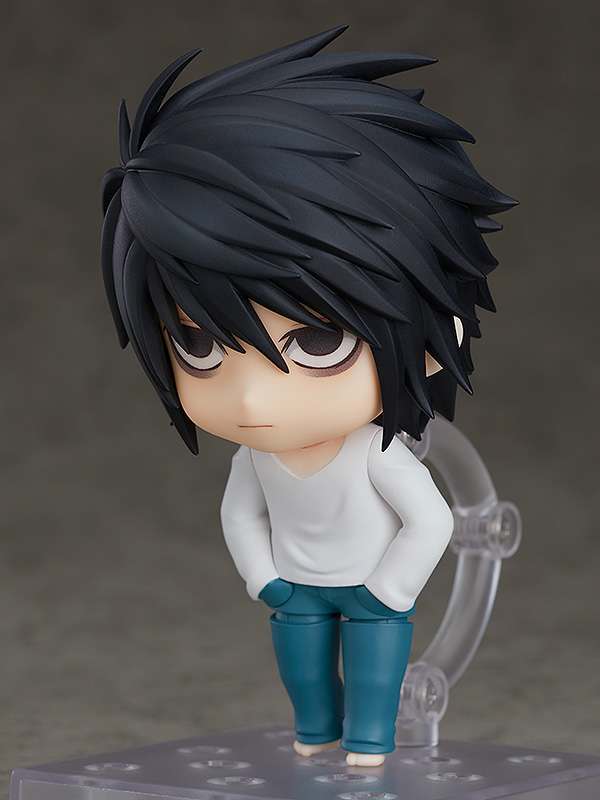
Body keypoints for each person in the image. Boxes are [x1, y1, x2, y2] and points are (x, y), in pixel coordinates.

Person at [100, 25, 515, 765]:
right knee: (304, 682)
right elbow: (239, 514)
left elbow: (430, 520)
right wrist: (265, 581)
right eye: (198, 347)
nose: (252, 403)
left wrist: (390, 590)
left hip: (372, 595)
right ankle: (316, 735)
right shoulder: (256, 460)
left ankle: (371, 744)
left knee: (375, 682)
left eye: (317, 344)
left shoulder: (375, 453)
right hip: (296, 591)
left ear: (430, 338)